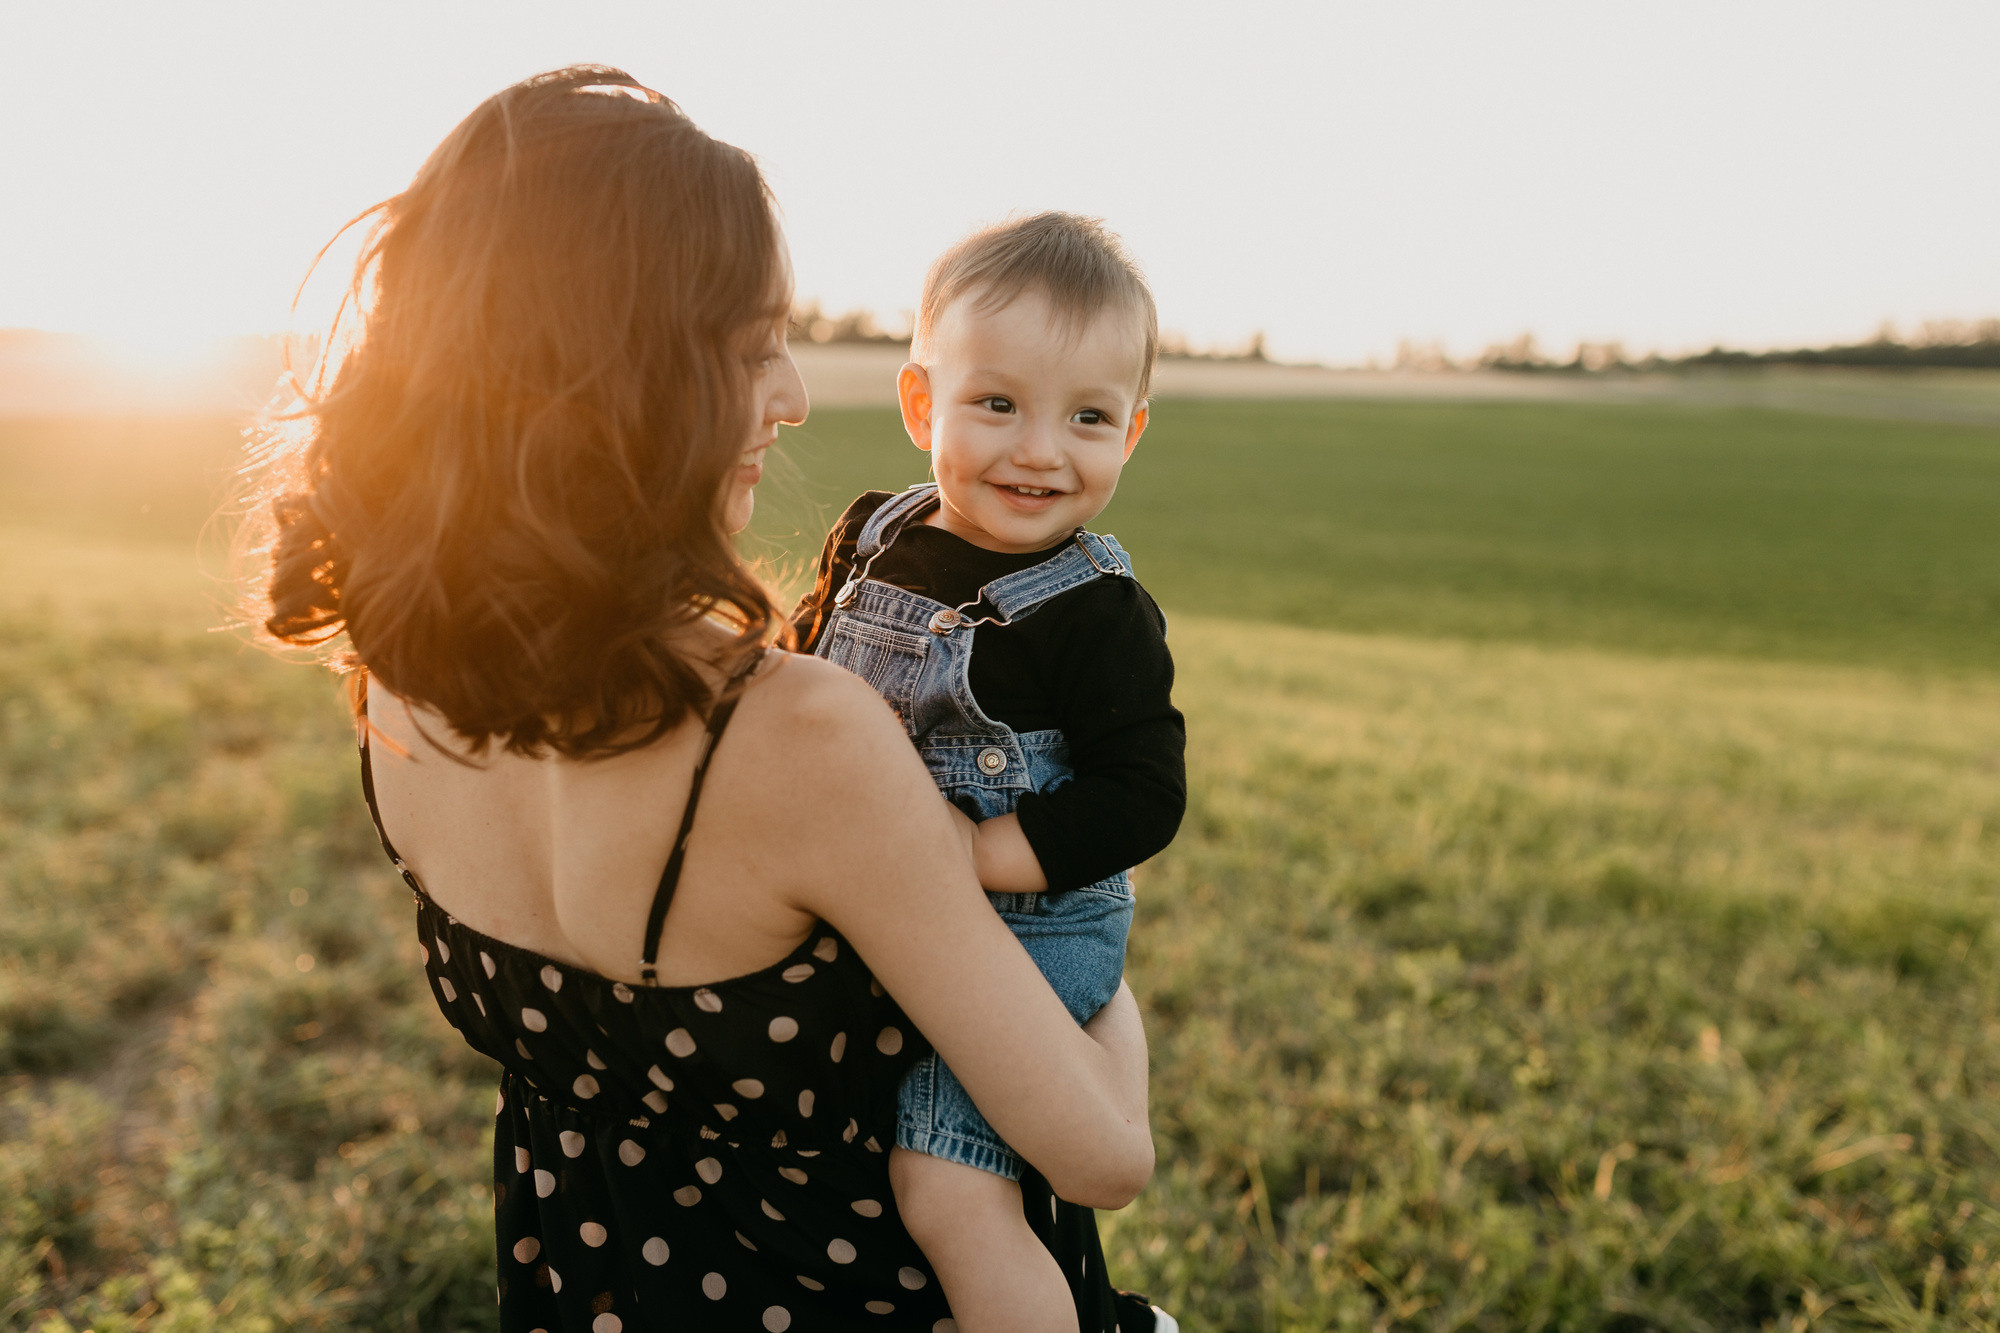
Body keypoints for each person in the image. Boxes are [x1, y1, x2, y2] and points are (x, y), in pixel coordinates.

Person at [244, 67, 1160, 1332]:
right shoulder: (799, 740)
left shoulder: (397, 679)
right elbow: (1100, 1154)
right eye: (746, 350)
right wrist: (1102, 971)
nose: (787, 397)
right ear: (607, 384)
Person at [790, 214, 1183, 1330]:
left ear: (1130, 434)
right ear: (922, 405)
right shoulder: (871, 534)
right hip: (888, 902)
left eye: (1088, 417)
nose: (1039, 450)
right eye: (996, 403)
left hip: (1033, 923)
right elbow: (799, 671)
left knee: (946, 1184)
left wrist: (973, 853)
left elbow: (1143, 792)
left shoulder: (1094, 612)